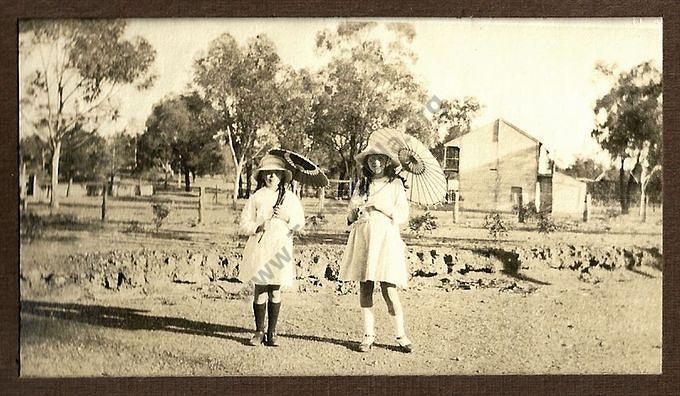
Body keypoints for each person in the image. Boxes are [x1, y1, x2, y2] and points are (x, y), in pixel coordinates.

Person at [339, 145, 412, 353]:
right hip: (365, 237)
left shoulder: (395, 184)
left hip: (386, 238)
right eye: (372, 160)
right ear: (367, 163)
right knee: (366, 286)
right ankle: (368, 335)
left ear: (387, 161)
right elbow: (350, 215)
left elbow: (402, 214)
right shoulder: (362, 184)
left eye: (380, 159)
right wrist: (357, 211)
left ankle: (401, 335)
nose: (376, 163)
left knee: (389, 288)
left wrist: (379, 206)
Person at [238, 154, 305, 347]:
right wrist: (257, 227)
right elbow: (244, 223)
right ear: (262, 176)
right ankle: (258, 331)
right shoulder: (256, 197)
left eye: (276, 173)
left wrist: (286, 218)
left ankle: (272, 332)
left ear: (283, 176)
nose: (271, 177)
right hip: (261, 248)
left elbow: (299, 223)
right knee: (260, 290)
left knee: (275, 289)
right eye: (268, 173)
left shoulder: (289, 198)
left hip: (280, 248)